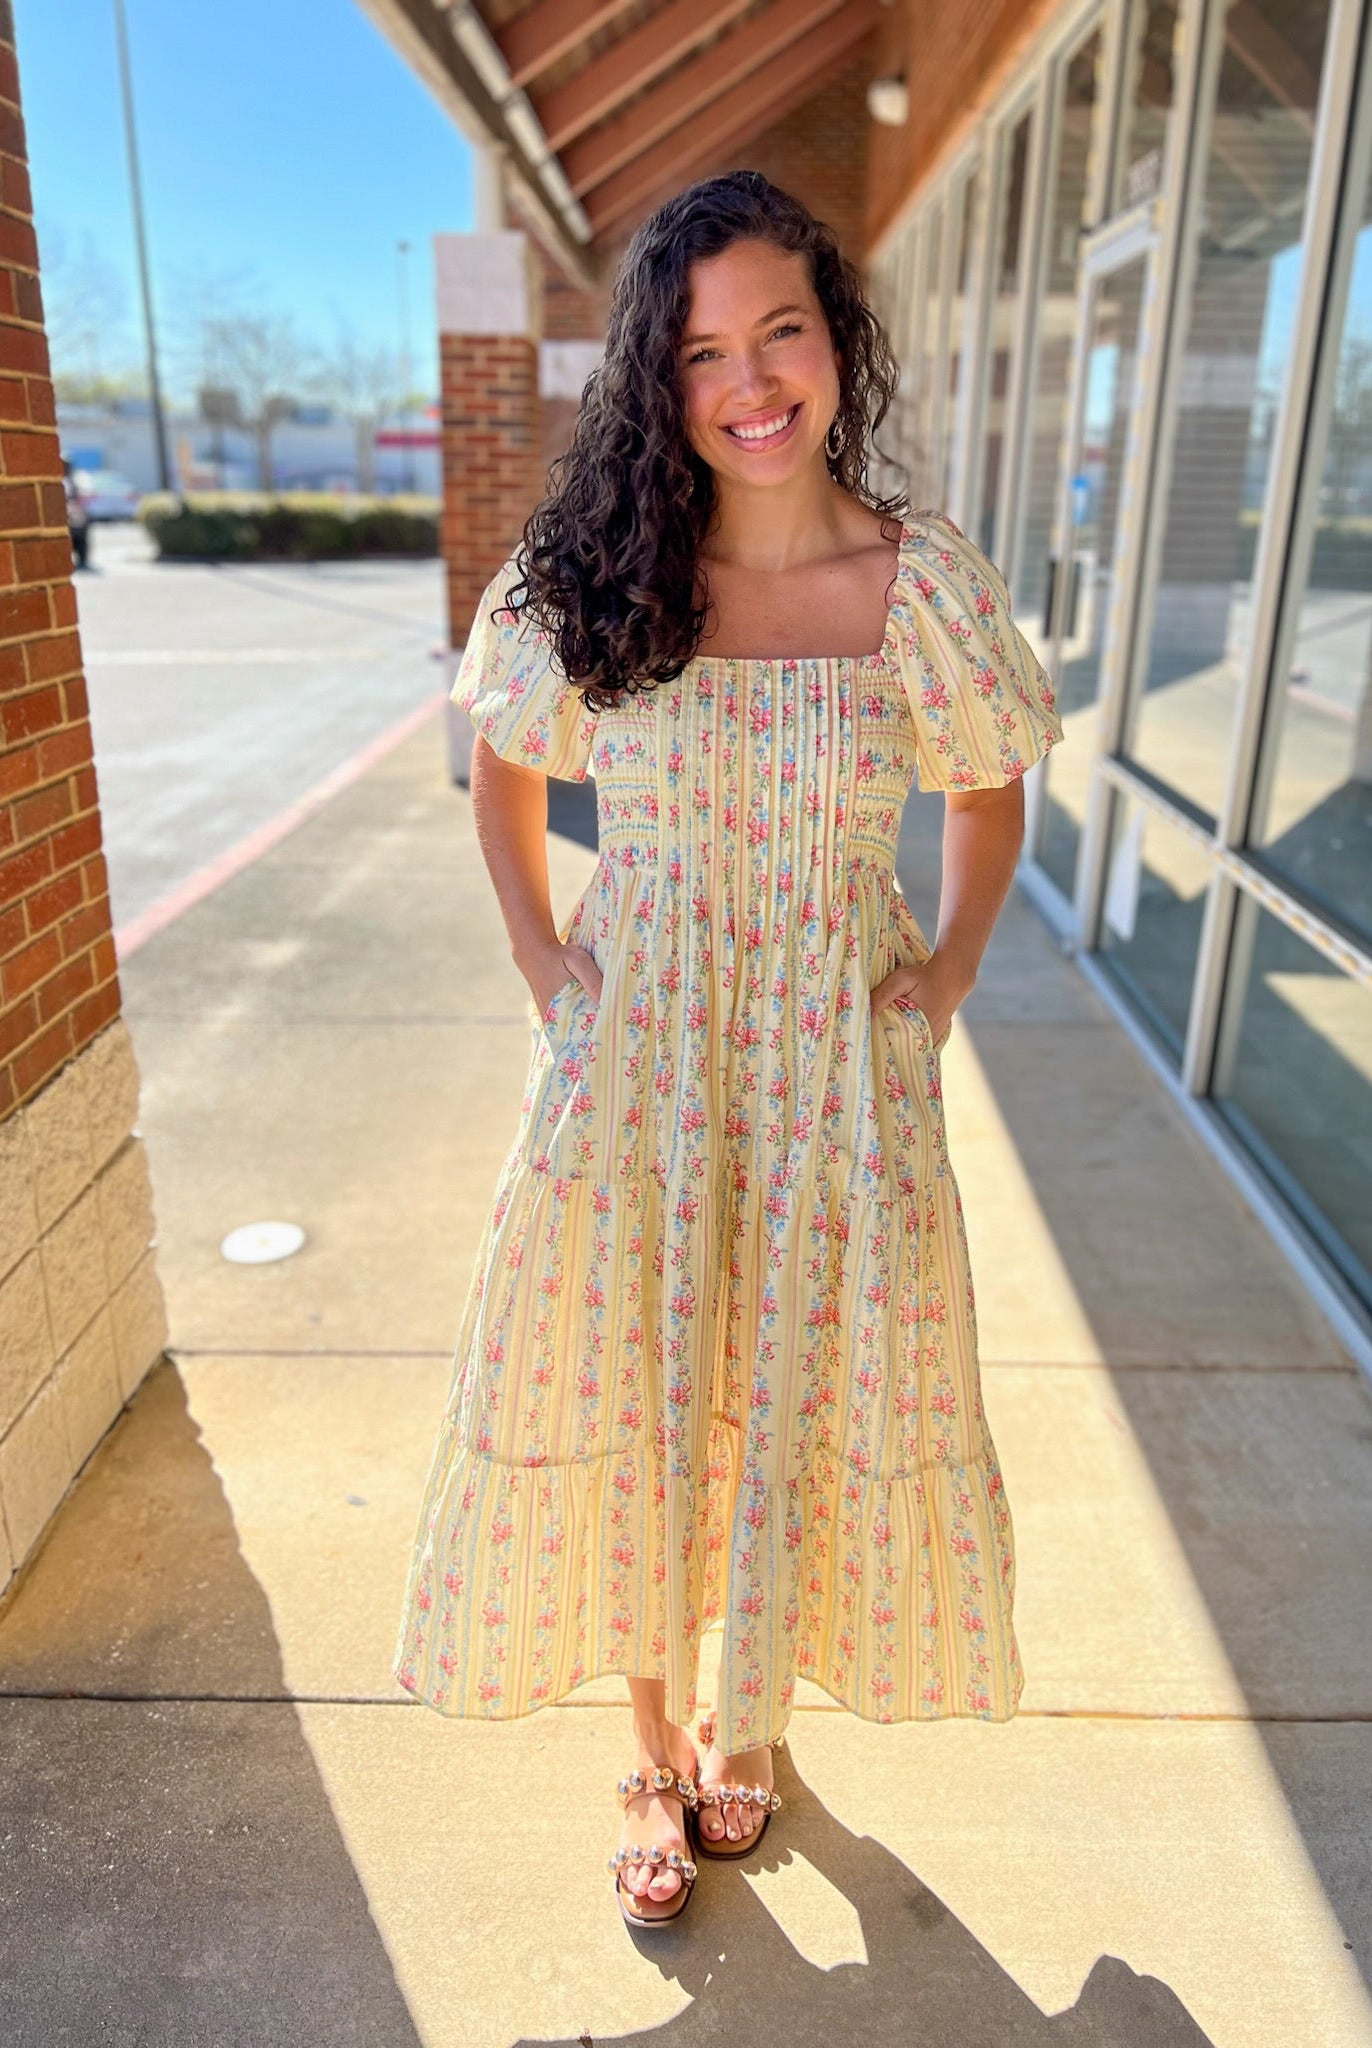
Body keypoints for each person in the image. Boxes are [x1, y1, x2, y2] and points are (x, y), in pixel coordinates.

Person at [392, 171, 1064, 1929]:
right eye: (704, 352)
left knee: (797, 1379)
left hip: (838, 1065)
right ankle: (643, 1738)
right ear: (659, 382)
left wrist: (952, 972)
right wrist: (549, 961)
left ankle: (743, 1721)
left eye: (782, 330)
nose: (751, 380)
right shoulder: (602, 568)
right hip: (646, 1058)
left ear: (836, 341)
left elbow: (991, 786)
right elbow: (506, 766)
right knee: (636, 1372)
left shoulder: (919, 584)